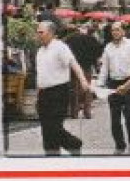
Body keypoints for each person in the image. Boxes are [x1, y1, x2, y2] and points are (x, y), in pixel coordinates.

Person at [32, 22, 89, 156]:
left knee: (54, 127)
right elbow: (41, 74)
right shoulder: (40, 51)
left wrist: (83, 80)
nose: (38, 35)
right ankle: (52, 155)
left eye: (41, 32)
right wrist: (37, 94)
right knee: (46, 128)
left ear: (51, 33)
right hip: (44, 94)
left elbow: (73, 63)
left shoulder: (60, 47)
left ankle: (73, 144)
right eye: (38, 32)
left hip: (58, 92)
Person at [96, 21, 130, 153]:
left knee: (129, 115)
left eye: (118, 30)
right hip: (113, 83)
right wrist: (99, 84)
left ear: (123, 31)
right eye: (113, 30)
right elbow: (104, 68)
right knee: (115, 117)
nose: (115, 32)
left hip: (128, 82)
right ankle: (119, 145)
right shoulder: (108, 48)